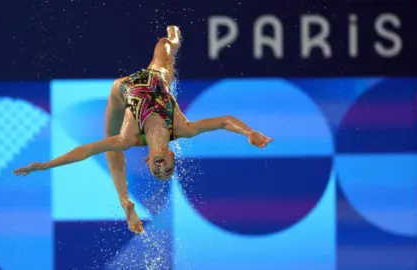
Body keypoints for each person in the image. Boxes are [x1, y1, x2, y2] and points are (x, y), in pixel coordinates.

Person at [14, 25, 272, 234]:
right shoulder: (183, 129)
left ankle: (125, 200)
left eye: (156, 169)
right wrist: (249, 133)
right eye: (168, 168)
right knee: (164, 44)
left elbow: (85, 150)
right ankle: (176, 43)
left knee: (112, 145)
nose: (162, 167)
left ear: (148, 160)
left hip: (122, 91)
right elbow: (225, 120)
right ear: (172, 156)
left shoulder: (131, 138)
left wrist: (45, 165)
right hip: (156, 79)